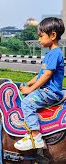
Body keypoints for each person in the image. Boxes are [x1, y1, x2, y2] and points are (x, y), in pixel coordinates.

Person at [14, 17, 65, 151]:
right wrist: (28, 84)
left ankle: (36, 137)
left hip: (50, 92)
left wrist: (30, 90)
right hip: (45, 90)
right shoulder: (50, 54)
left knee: (27, 103)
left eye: (41, 36)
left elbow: (47, 75)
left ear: (53, 35)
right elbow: (41, 74)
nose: (39, 39)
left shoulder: (56, 53)